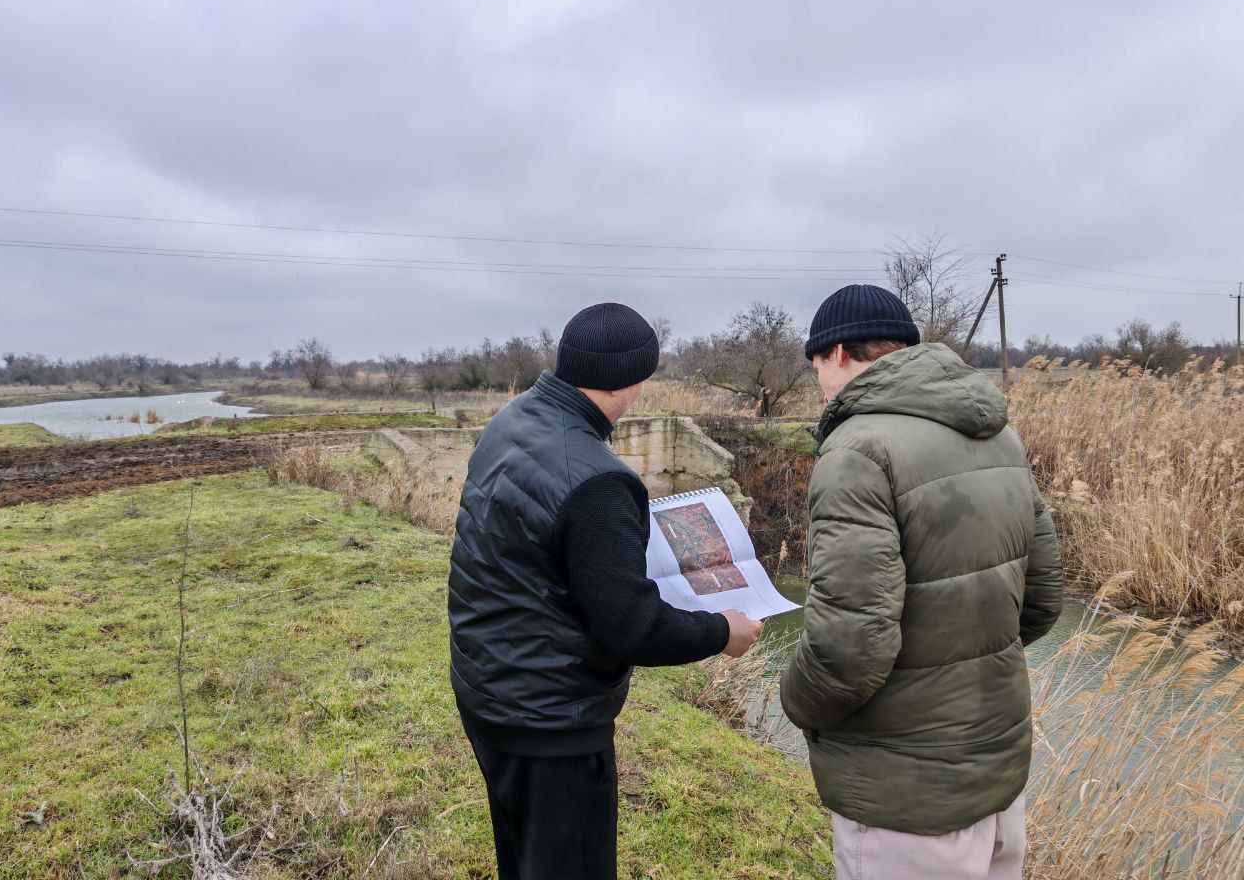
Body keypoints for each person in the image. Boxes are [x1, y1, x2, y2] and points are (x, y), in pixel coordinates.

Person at [449, 302, 763, 880]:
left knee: (523, 858)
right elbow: (631, 627)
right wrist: (723, 631)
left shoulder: (514, 419)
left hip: (489, 686)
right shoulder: (598, 479)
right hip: (550, 719)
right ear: (636, 379)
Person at [780, 284, 1063, 880]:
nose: (818, 383)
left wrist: (797, 703)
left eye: (814, 367)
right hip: (996, 774)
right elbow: (1041, 602)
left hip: (903, 797)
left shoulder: (857, 450)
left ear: (836, 354)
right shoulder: (998, 435)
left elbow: (847, 650)